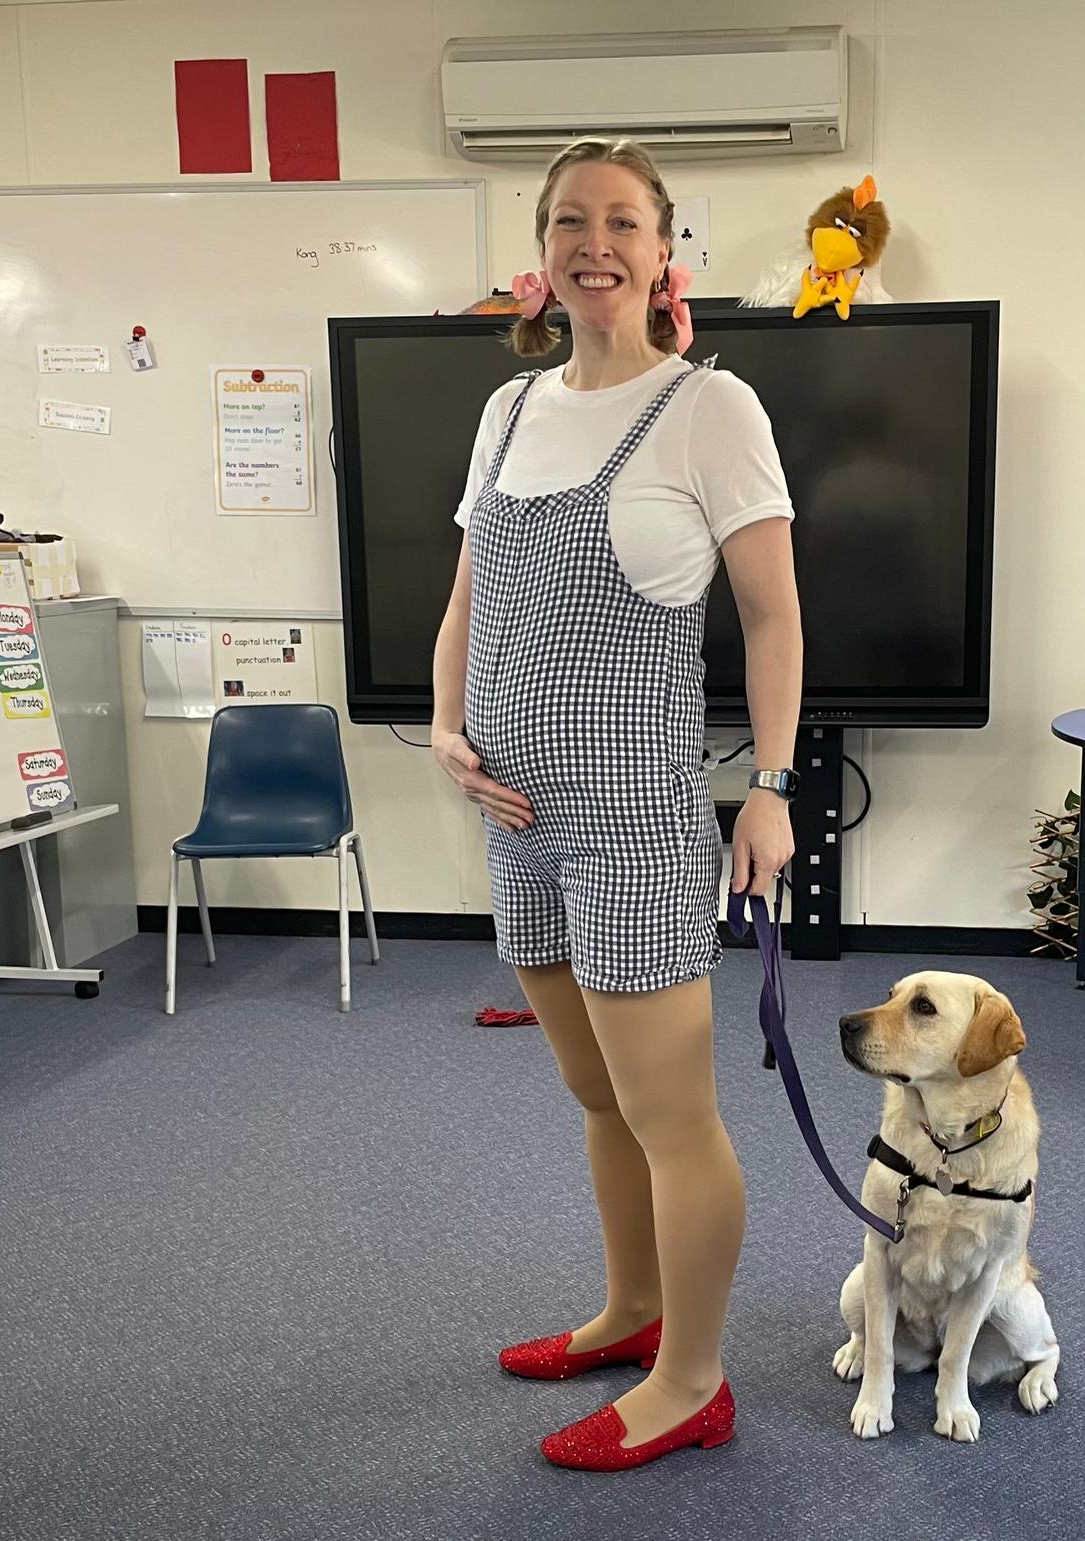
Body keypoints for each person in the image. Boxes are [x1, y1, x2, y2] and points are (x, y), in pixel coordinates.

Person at [431, 138, 802, 1471]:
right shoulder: (511, 409)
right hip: (514, 818)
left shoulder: (710, 405)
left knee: (673, 1118)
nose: (596, 241)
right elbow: (471, 602)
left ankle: (692, 1379)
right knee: (596, 1101)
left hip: (637, 819)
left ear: (660, 254)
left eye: (624, 222)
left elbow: (770, 617)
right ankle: (632, 1312)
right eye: (571, 220)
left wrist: (767, 787)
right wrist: (442, 724)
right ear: (541, 249)